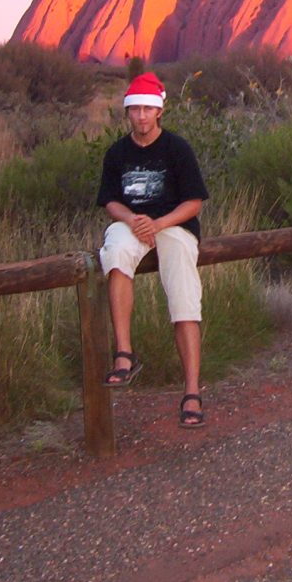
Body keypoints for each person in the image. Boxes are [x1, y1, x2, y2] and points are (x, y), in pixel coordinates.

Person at [96, 72, 210, 428]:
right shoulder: (117, 152)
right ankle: (124, 354)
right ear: (127, 113)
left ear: (159, 111)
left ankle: (192, 390)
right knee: (114, 253)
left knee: (183, 296)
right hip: (132, 224)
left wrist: (158, 224)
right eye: (135, 109)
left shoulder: (177, 148)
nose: (141, 116)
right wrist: (132, 220)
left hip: (173, 226)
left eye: (148, 109)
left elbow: (194, 203)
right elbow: (110, 201)